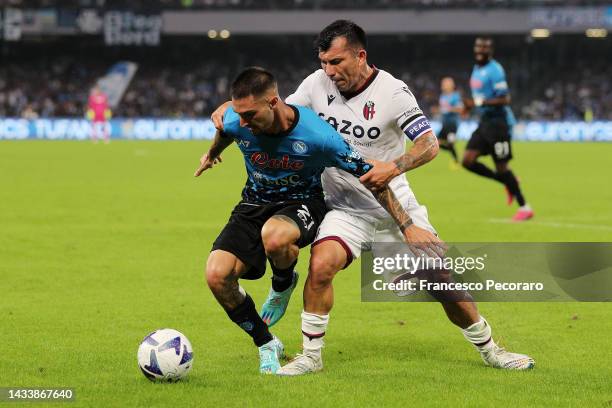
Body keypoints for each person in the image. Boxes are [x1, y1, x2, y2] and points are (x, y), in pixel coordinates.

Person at [211, 21, 535, 375]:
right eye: (323, 62)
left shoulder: (393, 92)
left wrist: (394, 168)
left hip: (394, 204)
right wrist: (232, 107)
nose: (329, 72)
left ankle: (492, 351)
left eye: (336, 62)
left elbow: (429, 144)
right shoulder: (315, 85)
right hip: (343, 208)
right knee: (321, 267)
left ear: (360, 55)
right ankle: (311, 356)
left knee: (441, 280)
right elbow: (278, 115)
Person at [195, 66, 441, 374]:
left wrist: (407, 224)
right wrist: (211, 153)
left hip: (302, 202)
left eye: (250, 115)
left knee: (275, 237)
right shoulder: (238, 119)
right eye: (239, 114)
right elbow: (227, 129)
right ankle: (265, 342)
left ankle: (282, 283)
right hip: (253, 203)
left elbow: (369, 176)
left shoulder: (320, 138)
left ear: (273, 103)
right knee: (216, 276)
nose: (243, 122)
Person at [462, 37, 534, 221]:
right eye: (478, 46)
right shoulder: (477, 68)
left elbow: (504, 99)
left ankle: (525, 207)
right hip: (485, 122)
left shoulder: (495, 70)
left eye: (484, 47)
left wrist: (477, 102)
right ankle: (508, 182)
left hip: (499, 124)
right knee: (467, 161)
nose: (480, 50)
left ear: (490, 51)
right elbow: (480, 96)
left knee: (502, 167)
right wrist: (469, 107)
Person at [437, 77, 462, 165]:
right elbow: (443, 109)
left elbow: (460, 109)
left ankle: (456, 161)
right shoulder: (442, 96)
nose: (443, 86)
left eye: (445, 84)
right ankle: (456, 160)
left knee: (451, 143)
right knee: (436, 143)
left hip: (452, 124)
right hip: (445, 123)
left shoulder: (455, 96)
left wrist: (449, 109)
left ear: (451, 85)